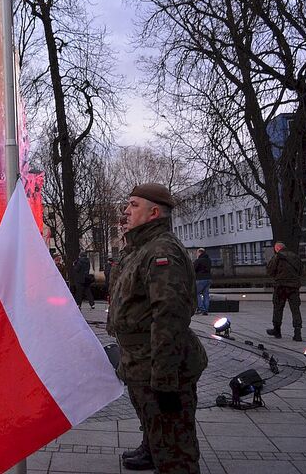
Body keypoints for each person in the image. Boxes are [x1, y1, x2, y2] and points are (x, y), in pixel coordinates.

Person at [107, 183, 207, 473]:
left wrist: (164, 378)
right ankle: (151, 449)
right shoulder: (139, 247)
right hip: (139, 359)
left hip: (159, 362)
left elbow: (169, 316)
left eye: (134, 205)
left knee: (174, 444)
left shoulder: (161, 251)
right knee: (153, 421)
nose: (126, 210)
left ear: (153, 212)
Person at [266, 242, 305, 342]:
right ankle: (297, 333)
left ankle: (277, 330)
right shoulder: (295, 257)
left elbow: (270, 271)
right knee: (295, 309)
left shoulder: (277, 257)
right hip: (294, 287)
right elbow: (301, 271)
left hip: (281, 287)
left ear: (277, 248)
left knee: (278, 308)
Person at [193, 248, 212, 316]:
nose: (196, 254)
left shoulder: (198, 260)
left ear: (200, 253)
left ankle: (201, 309)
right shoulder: (209, 260)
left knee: (196, 293)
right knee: (206, 294)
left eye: (197, 253)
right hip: (209, 279)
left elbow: (193, 269)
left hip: (200, 279)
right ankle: (206, 310)